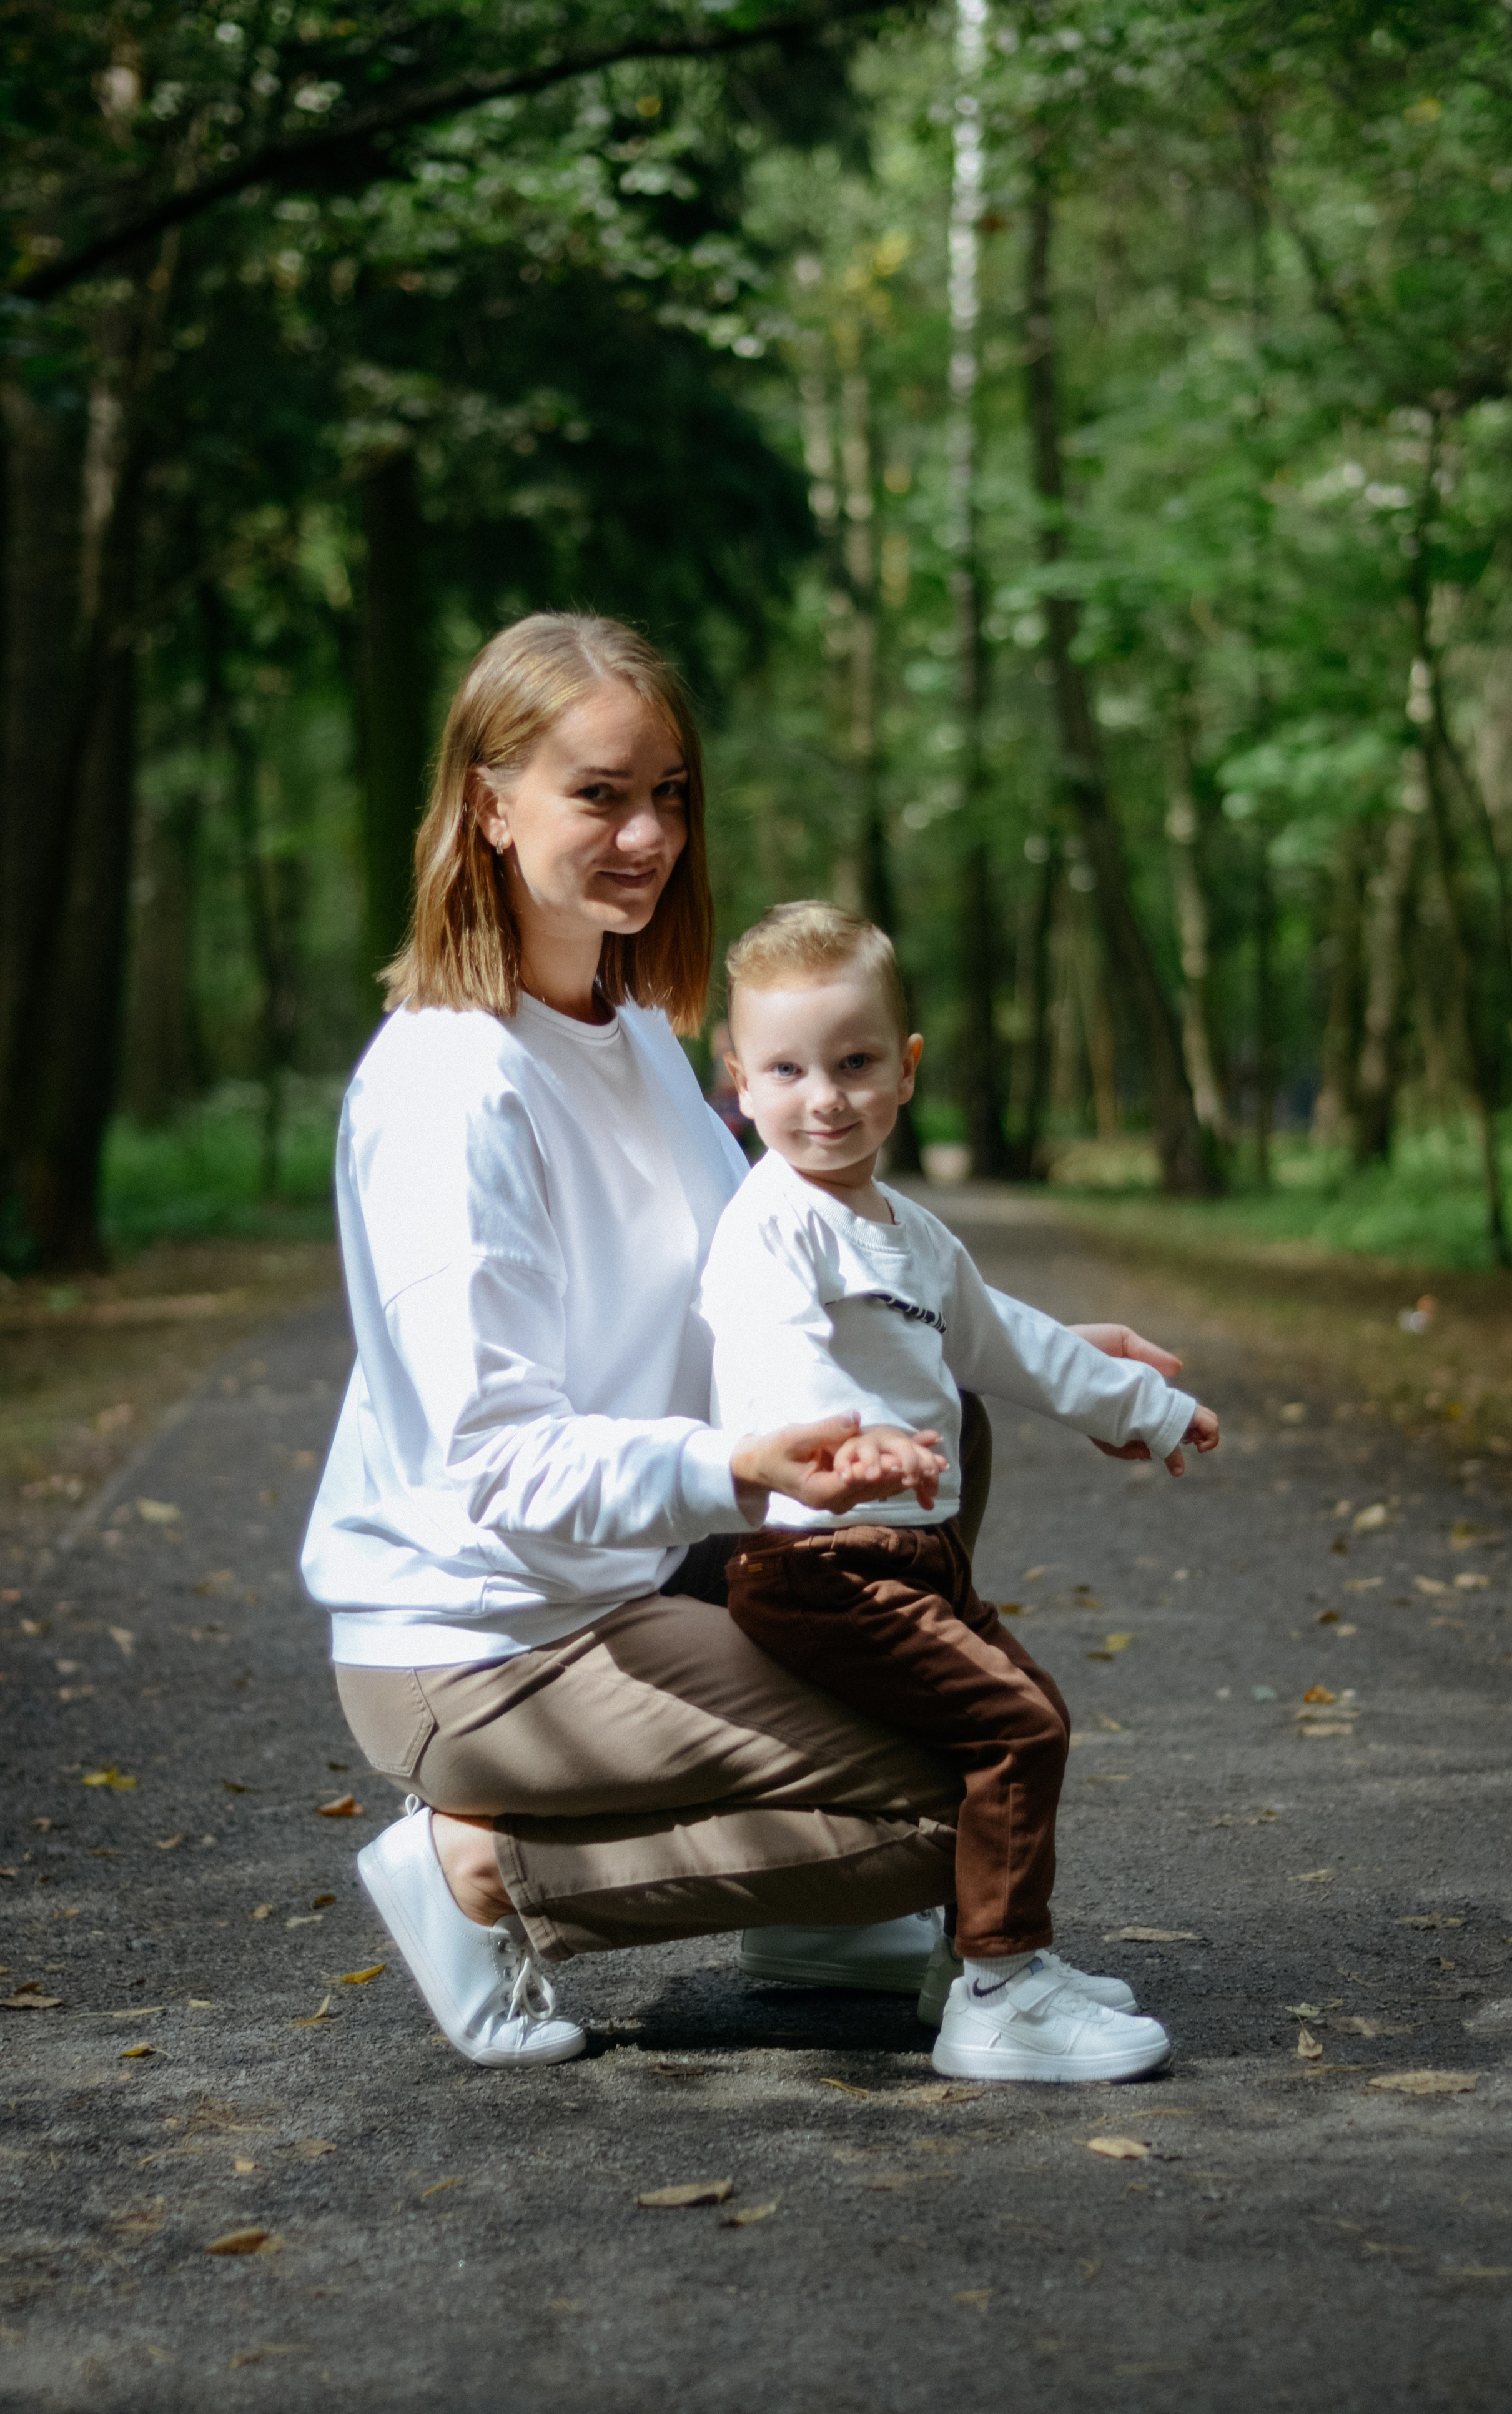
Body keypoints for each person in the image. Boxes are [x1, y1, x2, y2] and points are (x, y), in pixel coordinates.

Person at [301, 611, 1188, 2075]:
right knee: (944, 1787)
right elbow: (488, 1460)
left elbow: (791, 1296)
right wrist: (730, 1463)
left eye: (670, 792)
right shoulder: (450, 1092)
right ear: (489, 799)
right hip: (484, 1633)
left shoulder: (636, 1025)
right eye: (599, 792)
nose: (647, 832)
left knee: (939, 1433)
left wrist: (1030, 1352)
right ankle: (476, 1872)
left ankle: (818, 1929)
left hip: (633, 1565)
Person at [699, 901, 1221, 2083]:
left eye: (854, 1063)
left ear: (907, 1070)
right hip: (819, 1562)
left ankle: (986, 1953)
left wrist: (1144, 1408)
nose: (822, 1097)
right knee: (1016, 1723)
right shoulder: (770, 1227)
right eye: (785, 1069)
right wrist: (853, 1441)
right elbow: (776, 1355)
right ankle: (998, 1989)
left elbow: (1012, 1343)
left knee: (1019, 1711)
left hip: (911, 1555)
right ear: (737, 1078)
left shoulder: (912, 1235)